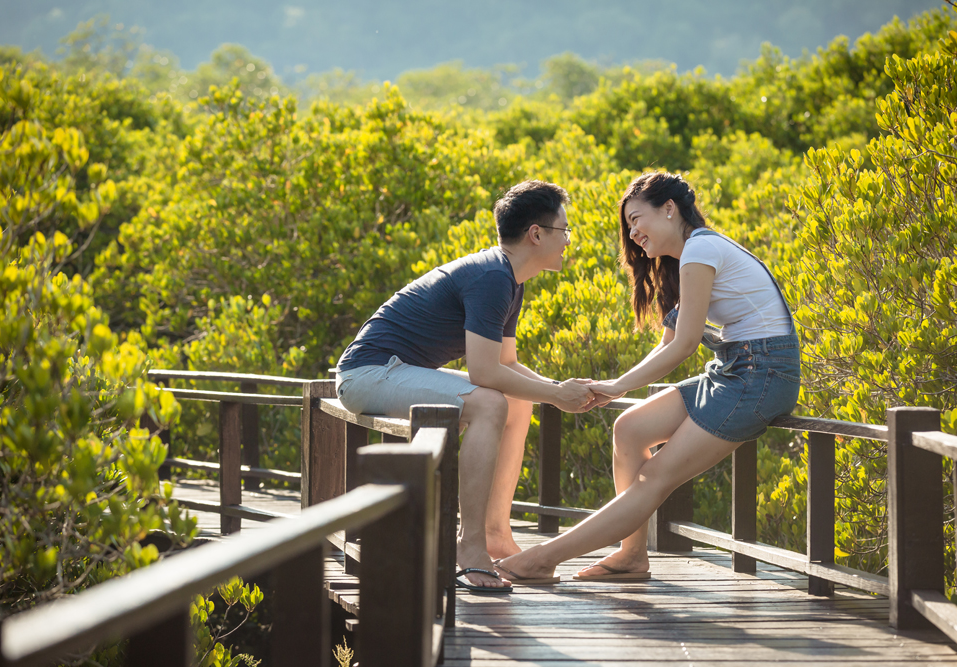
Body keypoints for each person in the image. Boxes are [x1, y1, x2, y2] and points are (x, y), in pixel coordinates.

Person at [492, 171, 800, 585]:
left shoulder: (701, 249)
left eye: (637, 219)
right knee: (630, 427)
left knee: (655, 477)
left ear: (669, 210)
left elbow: (685, 345)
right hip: (735, 368)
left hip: (762, 374)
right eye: (629, 225)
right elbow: (669, 341)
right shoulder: (688, 256)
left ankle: (545, 558)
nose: (633, 232)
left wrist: (619, 387)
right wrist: (616, 384)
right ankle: (631, 555)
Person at [335, 180, 597, 592]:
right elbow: (484, 375)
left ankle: (495, 534)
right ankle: (470, 546)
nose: (568, 241)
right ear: (536, 234)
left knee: (516, 402)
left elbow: (506, 364)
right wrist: (556, 395)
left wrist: (560, 388)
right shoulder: (492, 277)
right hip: (368, 373)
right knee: (491, 403)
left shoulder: (510, 279)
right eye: (564, 231)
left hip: (392, 371)